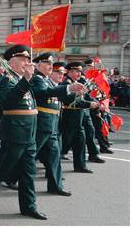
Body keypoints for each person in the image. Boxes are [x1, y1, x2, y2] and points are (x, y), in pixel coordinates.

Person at [0, 45, 47, 220]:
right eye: (23, 59)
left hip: (29, 133)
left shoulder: (24, 79)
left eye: (27, 59)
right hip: (14, 133)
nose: (27, 63)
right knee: (2, 168)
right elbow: (7, 101)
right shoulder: (8, 79)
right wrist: (26, 80)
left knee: (28, 172)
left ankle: (29, 206)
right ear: (12, 62)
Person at [31, 53, 86, 196]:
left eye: (51, 64)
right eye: (48, 63)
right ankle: (11, 177)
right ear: (38, 65)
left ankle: (55, 185)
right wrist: (68, 88)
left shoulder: (47, 80)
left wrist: (76, 92)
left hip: (52, 124)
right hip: (42, 124)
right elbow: (44, 93)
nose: (51, 66)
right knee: (30, 155)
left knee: (54, 156)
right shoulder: (37, 79)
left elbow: (62, 96)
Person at [60, 62, 99, 173]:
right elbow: (70, 101)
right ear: (70, 72)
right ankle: (50, 167)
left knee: (80, 142)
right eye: (76, 71)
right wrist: (88, 104)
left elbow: (86, 96)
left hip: (79, 118)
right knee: (63, 144)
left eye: (79, 71)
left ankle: (80, 165)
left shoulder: (77, 83)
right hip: (69, 118)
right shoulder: (66, 84)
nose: (79, 73)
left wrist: (95, 102)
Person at [80, 59, 107, 162]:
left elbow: (92, 94)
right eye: (89, 66)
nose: (91, 68)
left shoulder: (89, 79)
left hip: (89, 110)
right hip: (81, 110)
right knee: (69, 136)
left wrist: (99, 103)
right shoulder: (82, 80)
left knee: (90, 132)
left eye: (92, 66)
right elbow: (85, 95)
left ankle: (93, 154)